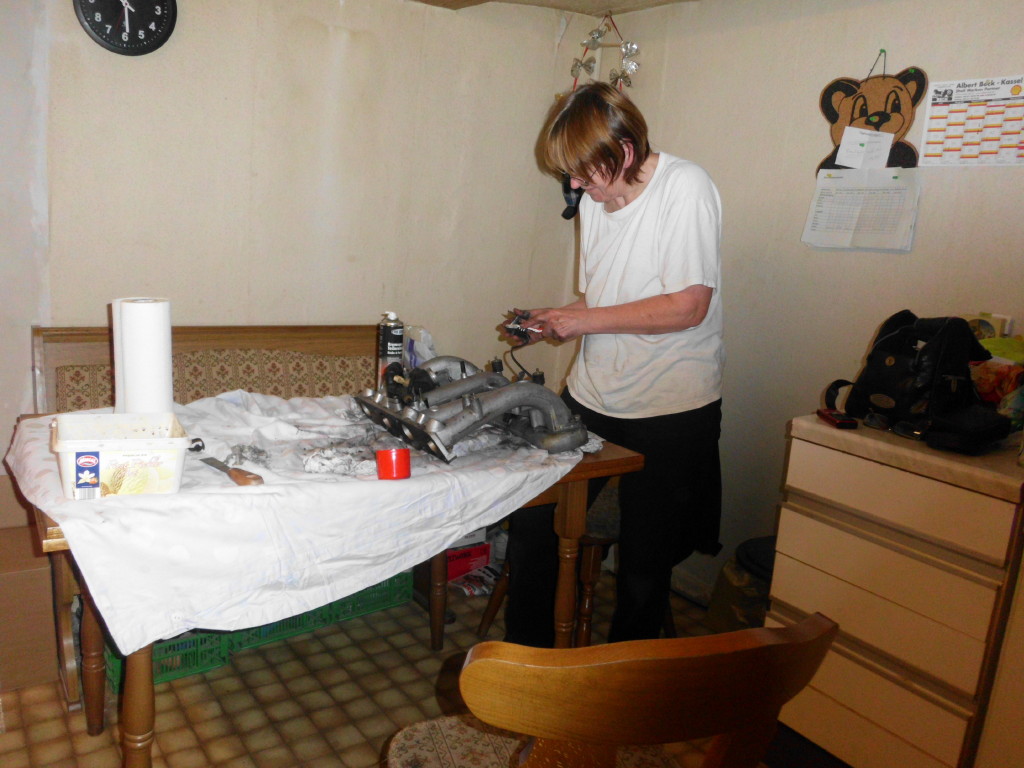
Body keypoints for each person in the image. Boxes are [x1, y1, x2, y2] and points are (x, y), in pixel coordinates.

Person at [503, 82, 724, 646]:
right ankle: (526, 667)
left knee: (644, 567)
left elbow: (688, 307)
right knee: (534, 525)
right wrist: (556, 317)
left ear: (624, 151)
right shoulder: (596, 202)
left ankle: (624, 685)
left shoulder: (686, 188)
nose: (576, 187)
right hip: (594, 396)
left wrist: (580, 323)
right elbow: (601, 301)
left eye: (584, 172)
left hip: (671, 407)